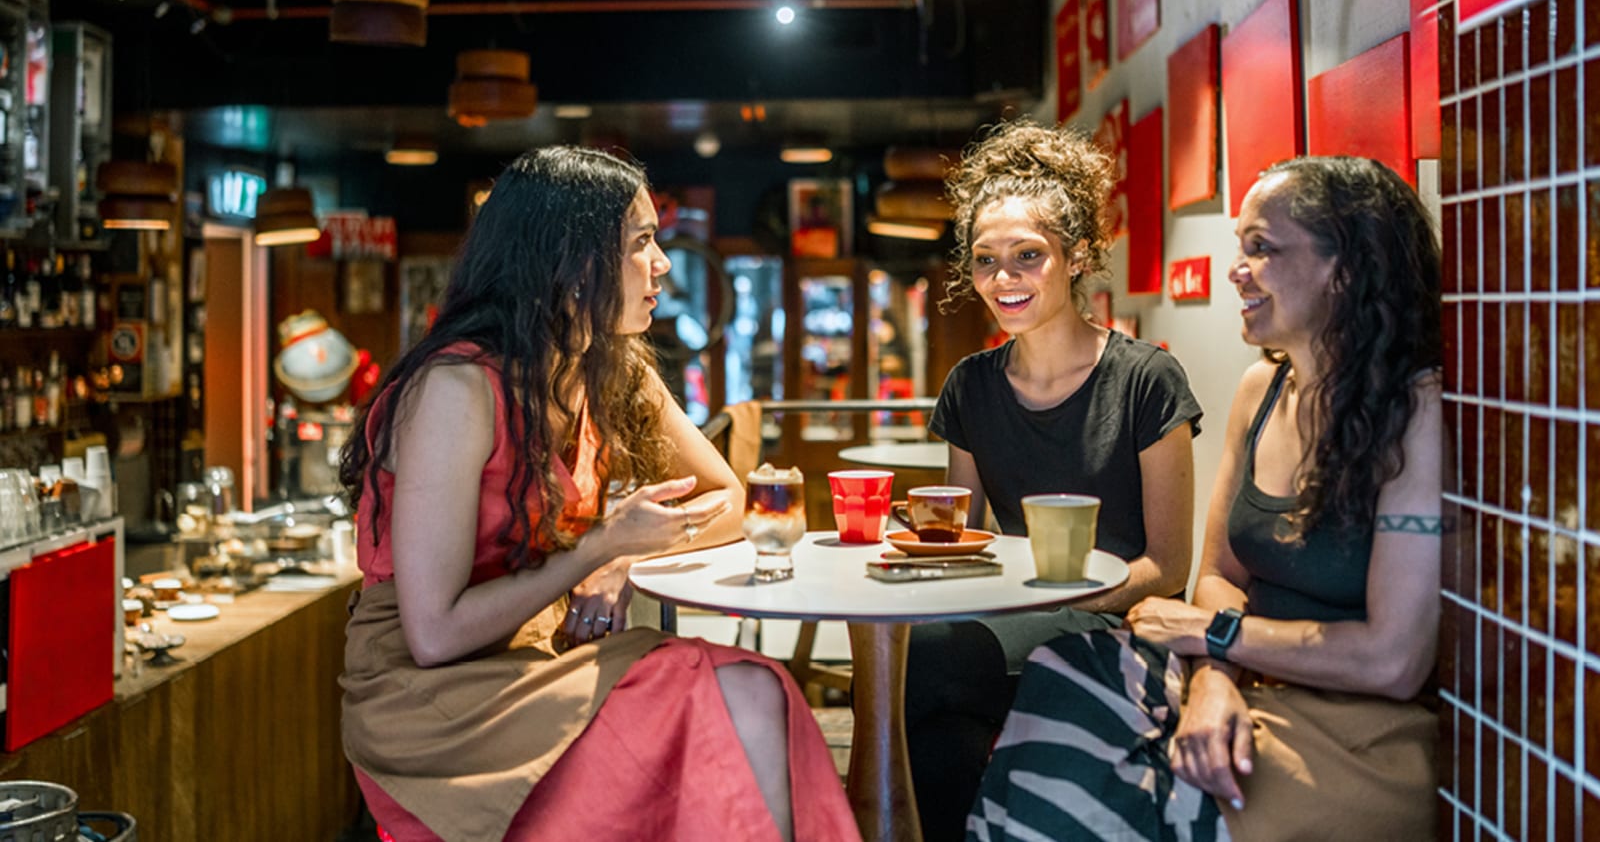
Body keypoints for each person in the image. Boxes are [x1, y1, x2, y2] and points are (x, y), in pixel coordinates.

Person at [338, 146, 859, 842]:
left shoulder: (609, 368)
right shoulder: (457, 389)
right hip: (432, 702)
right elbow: (433, 635)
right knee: (745, 698)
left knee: (759, 692)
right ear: (570, 260)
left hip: (537, 658)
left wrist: (618, 562)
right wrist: (598, 548)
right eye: (643, 242)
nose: (663, 264)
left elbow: (728, 497)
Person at [967, 155, 1443, 841]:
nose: (1236, 270)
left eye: (1262, 248)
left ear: (1344, 267)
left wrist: (1212, 636)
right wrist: (1215, 678)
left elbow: (1394, 661)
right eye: (1239, 247)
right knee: (1060, 674)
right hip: (1242, 679)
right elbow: (1219, 574)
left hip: (1361, 731)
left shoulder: (1417, 410)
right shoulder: (1263, 388)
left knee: (1129, 803)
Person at [907, 119, 1203, 840]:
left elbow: (1168, 567)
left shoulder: (1145, 379)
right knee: (918, 659)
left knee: (934, 662)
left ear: (1076, 258)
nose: (1003, 279)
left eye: (1028, 256)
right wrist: (912, 543)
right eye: (986, 259)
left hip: (1124, 619)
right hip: (1013, 617)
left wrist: (1071, 591)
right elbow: (965, 540)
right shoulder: (970, 387)